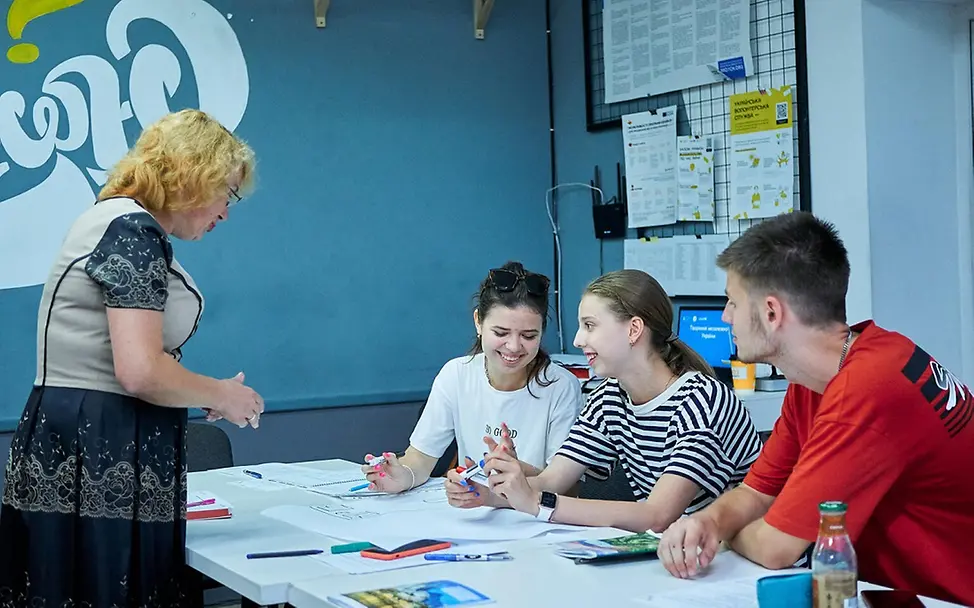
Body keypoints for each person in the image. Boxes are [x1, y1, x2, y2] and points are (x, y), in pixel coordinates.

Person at [0, 109, 263, 607]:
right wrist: (223, 394)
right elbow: (140, 371)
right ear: (190, 177)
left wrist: (195, 388)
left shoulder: (110, 220)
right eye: (225, 193)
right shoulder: (132, 234)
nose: (226, 211)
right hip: (102, 439)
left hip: (76, 431)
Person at [658, 212, 974, 606]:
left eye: (733, 302)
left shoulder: (866, 390)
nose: (725, 316)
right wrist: (707, 521)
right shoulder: (822, 377)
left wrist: (722, 528)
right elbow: (758, 491)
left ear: (772, 313)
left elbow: (777, 547)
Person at [468, 269, 762, 532]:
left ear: (634, 329)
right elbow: (551, 481)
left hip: (739, 559)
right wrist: (492, 492)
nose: (578, 340)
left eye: (590, 325)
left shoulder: (702, 401)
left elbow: (657, 514)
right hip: (679, 552)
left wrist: (536, 502)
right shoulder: (609, 398)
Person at [362, 262, 584, 504]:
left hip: (534, 522)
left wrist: (517, 472)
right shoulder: (456, 374)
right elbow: (421, 458)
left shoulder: (561, 387)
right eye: (500, 333)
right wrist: (402, 475)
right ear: (478, 321)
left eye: (529, 336)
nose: (514, 346)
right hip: (474, 516)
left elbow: (566, 489)